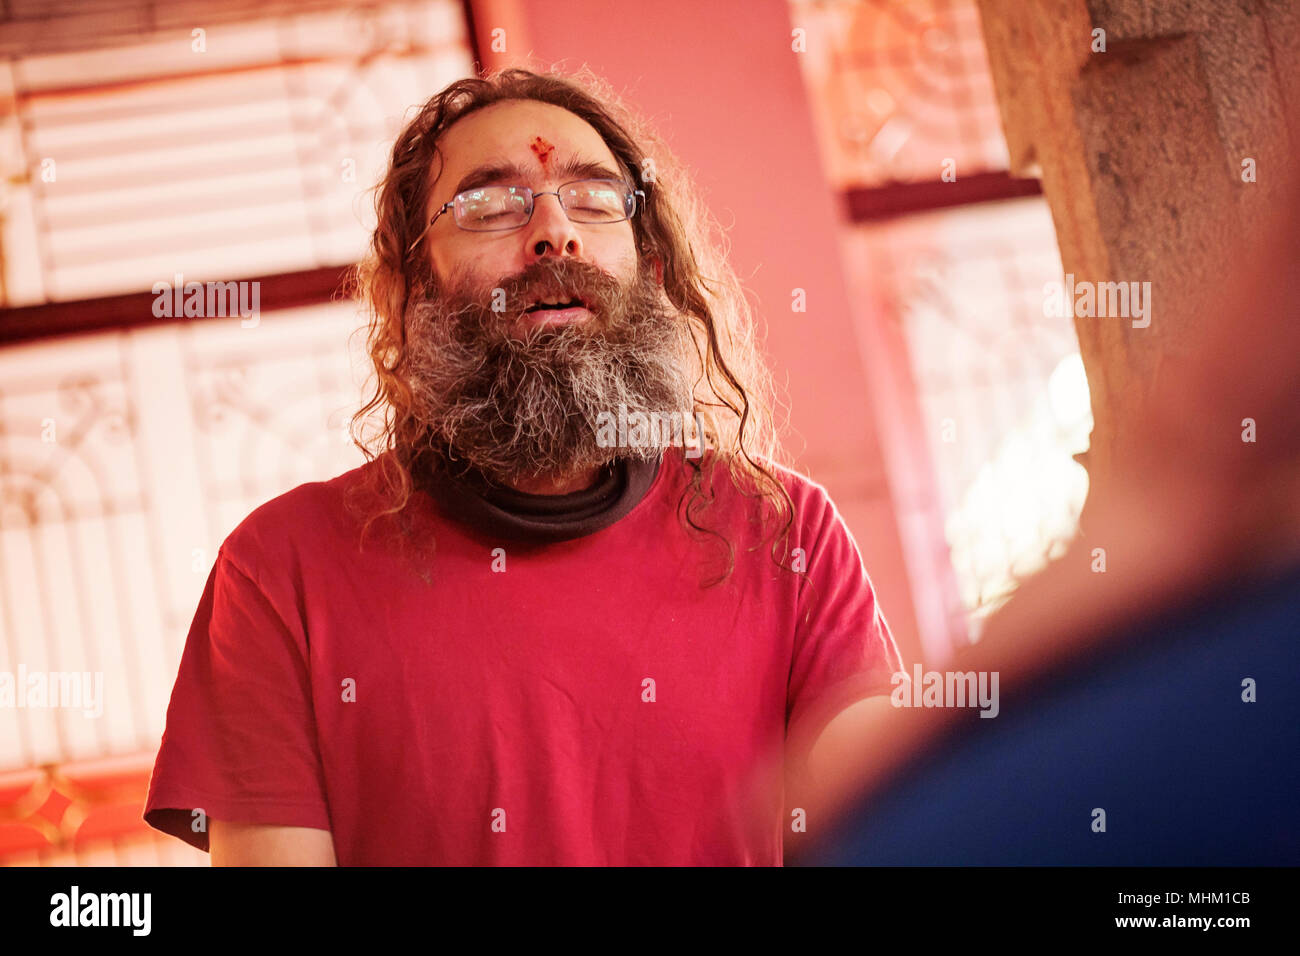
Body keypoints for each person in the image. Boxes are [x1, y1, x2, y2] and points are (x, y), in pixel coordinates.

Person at [143, 67, 903, 866]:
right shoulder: (279, 570)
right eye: (490, 205)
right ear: (413, 283)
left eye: (595, 198)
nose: (554, 233)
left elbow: (890, 810)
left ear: (648, 263)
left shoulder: (783, 528)